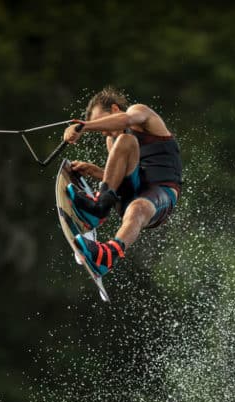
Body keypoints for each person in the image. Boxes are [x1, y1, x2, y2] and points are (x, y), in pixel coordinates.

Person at [62, 87, 182, 277]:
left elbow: (126, 120)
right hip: (129, 194)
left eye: (102, 122)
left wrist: (82, 126)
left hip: (161, 194)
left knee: (138, 206)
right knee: (123, 141)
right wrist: (96, 171)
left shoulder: (140, 112)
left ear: (116, 109)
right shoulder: (113, 140)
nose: (103, 131)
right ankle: (99, 207)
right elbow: (122, 180)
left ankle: (107, 256)